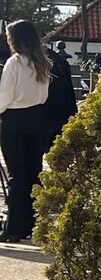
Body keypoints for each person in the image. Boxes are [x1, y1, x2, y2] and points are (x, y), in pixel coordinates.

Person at [0, 20, 52, 243]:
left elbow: (4, 97)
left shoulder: (14, 64)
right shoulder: (41, 63)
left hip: (14, 119)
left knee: (16, 175)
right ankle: (33, 223)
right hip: (36, 117)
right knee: (33, 172)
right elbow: (44, 97)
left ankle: (14, 228)